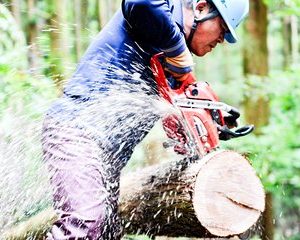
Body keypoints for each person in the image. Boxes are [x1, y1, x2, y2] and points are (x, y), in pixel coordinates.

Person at [42, 0, 249, 239]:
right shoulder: (162, 14)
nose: (221, 40)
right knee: (85, 223)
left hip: (108, 156)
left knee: (106, 232)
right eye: (222, 29)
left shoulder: (170, 64)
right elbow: (140, 2)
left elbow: (178, 122)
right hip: (75, 131)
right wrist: (177, 49)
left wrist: (208, 120)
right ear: (201, 7)